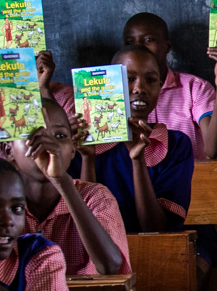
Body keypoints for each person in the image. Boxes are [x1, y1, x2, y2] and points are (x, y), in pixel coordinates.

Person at [78, 45, 194, 237]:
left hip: (153, 256)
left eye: (151, 80)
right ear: (109, 85)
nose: (140, 88)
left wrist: (138, 161)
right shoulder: (83, 145)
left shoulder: (175, 145)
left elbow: (155, 230)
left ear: (160, 86)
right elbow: (85, 229)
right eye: (129, 79)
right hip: (97, 260)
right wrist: (87, 158)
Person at [3, 104, 130, 276]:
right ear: (8, 150)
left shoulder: (95, 197)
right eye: (34, 135)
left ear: (72, 150)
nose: (48, 144)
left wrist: (61, 180)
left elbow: (110, 266)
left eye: (60, 136)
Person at [119, 12, 217, 162]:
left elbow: (212, 150)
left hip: (185, 181)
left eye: (148, 40)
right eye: (130, 42)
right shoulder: (114, 91)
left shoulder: (193, 88)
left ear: (167, 47)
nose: (139, 47)